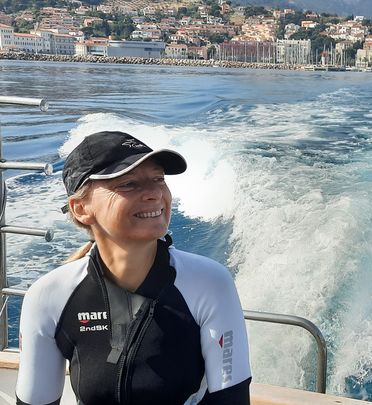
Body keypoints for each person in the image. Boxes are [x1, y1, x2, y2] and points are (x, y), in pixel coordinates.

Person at [16, 131, 252, 405]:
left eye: (158, 179)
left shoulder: (209, 284)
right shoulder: (49, 296)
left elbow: (231, 400)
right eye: (129, 184)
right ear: (80, 209)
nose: (154, 193)